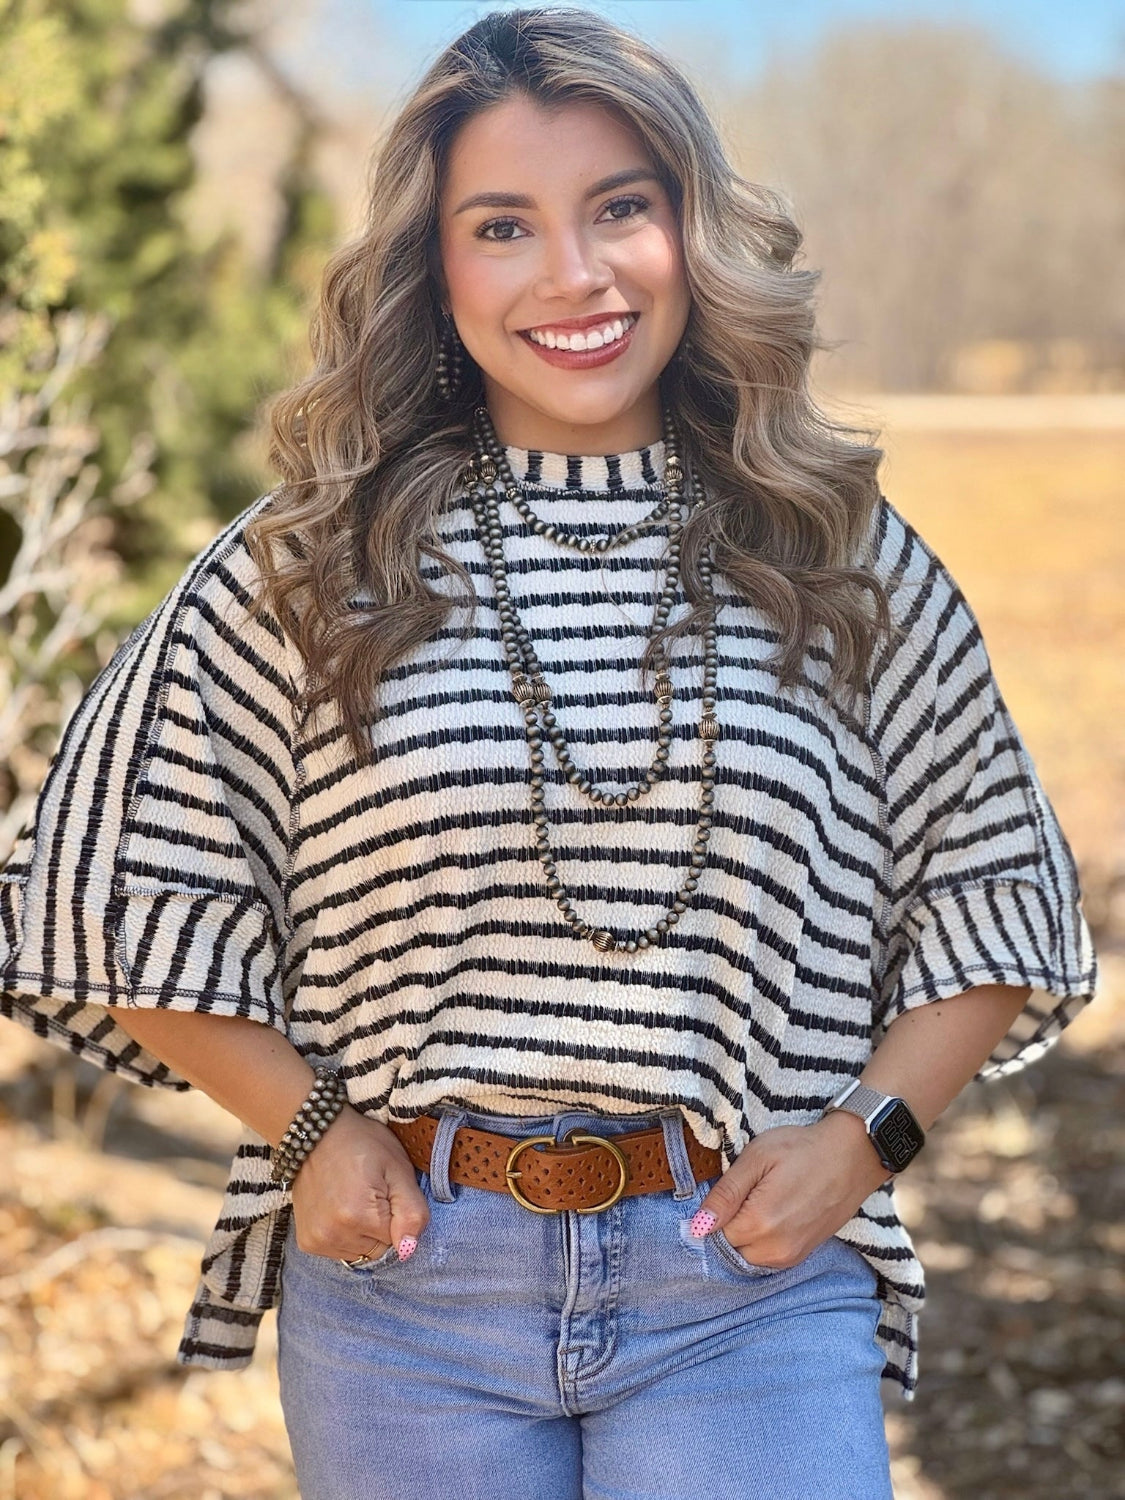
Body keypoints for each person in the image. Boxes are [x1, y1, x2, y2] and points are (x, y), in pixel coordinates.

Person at [0, 8, 1098, 1498]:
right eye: (503, 226)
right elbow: (99, 890)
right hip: (410, 1296)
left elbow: (996, 896)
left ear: (691, 234)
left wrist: (865, 1138)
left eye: (620, 208)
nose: (573, 274)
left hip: (750, 1286)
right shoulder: (313, 561)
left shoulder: (833, 554)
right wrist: (310, 1131)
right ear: (434, 266)